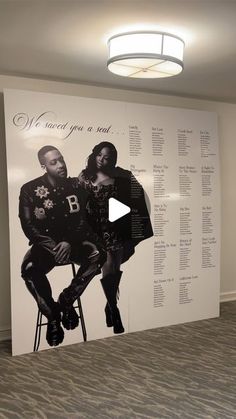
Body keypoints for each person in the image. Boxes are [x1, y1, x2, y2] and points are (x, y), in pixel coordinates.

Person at [19, 145, 106, 347]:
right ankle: (53, 316)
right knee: (29, 269)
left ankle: (67, 299)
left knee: (98, 254)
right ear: (43, 166)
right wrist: (54, 247)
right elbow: (28, 225)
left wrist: (68, 241)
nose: (61, 165)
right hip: (46, 247)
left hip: (74, 243)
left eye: (61, 159)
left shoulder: (76, 185)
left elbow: (85, 218)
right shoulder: (29, 189)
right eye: (53, 162)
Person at [78, 141, 153, 334]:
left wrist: (131, 219)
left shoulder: (123, 174)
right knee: (109, 268)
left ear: (113, 159)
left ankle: (110, 307)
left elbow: (139, 199)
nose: (103, 160)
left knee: (112, 269)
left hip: (115, 228)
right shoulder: (85, 176)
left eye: (108, 157)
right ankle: (114, 309)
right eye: (100, 155)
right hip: (93, 230)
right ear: (94, 155)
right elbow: (78, 203)